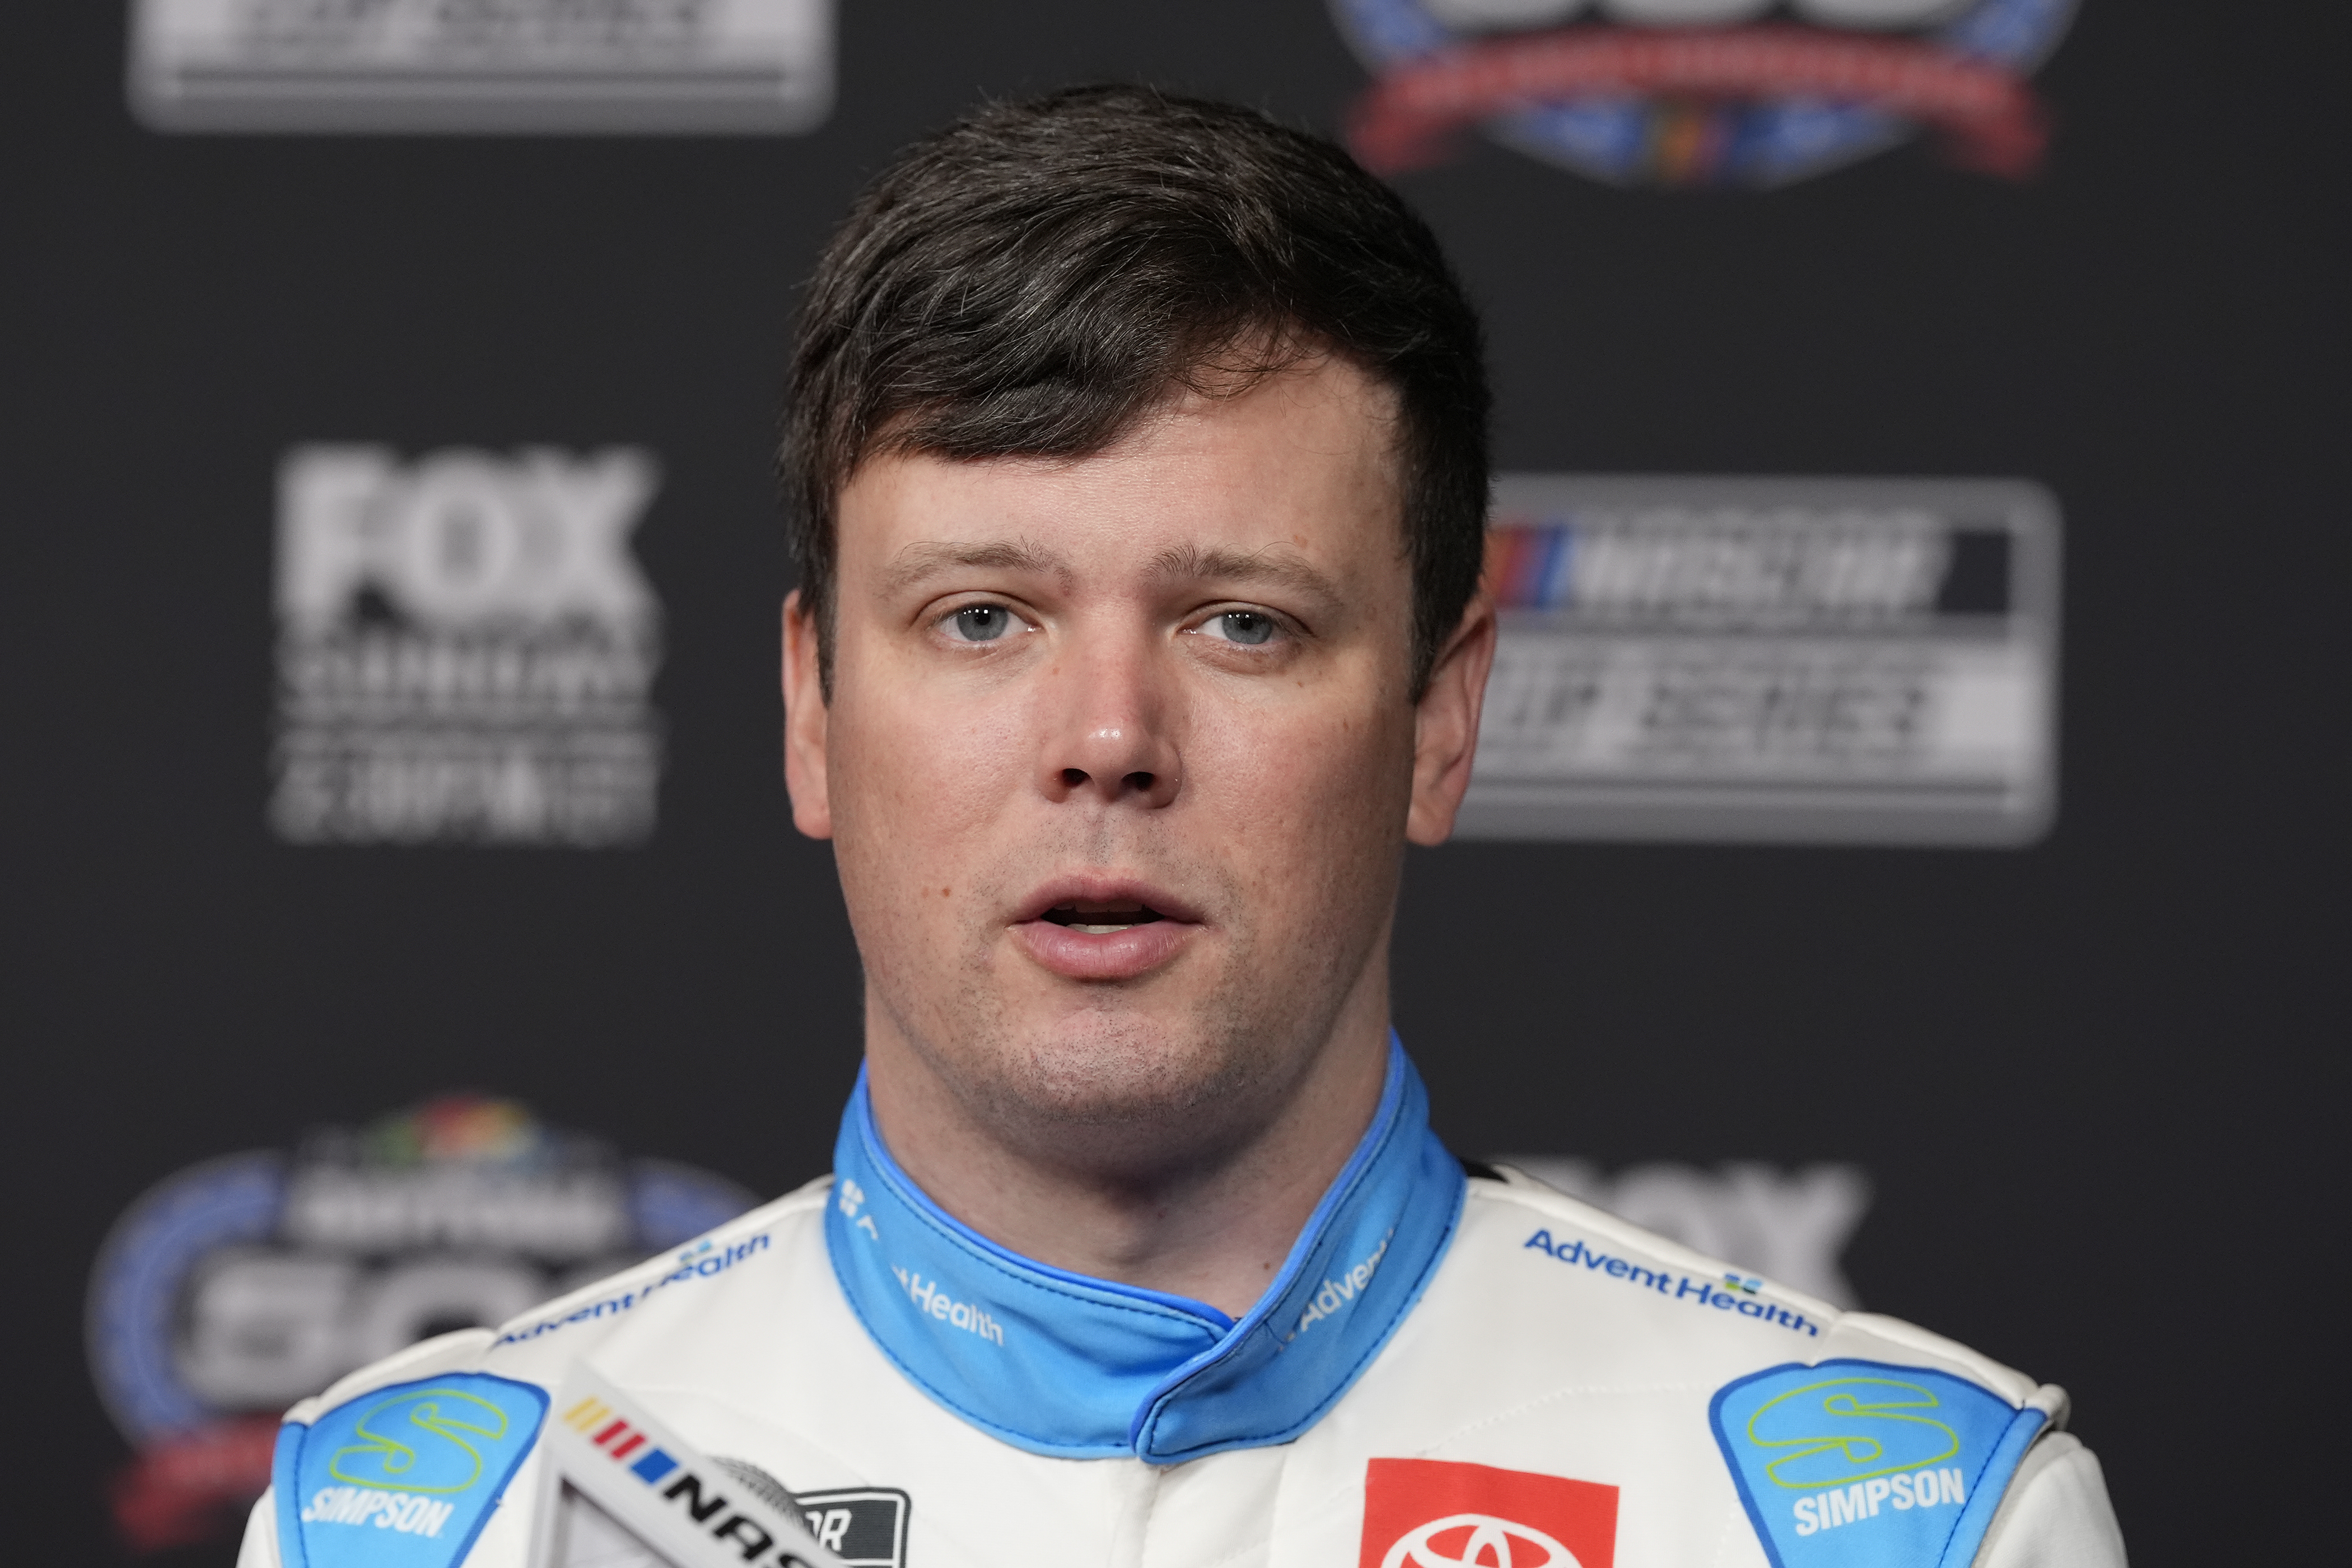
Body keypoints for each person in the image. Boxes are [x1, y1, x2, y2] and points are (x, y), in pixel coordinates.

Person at [239, 87, 2125, 1568]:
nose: (1109, 740)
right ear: (813, 712)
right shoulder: (433, 1526)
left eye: (1245, 623)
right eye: (983, 618)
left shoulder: (1886, 1527)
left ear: (1439, 718)